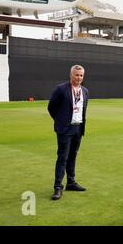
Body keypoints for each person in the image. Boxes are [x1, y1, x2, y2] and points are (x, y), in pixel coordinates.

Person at [48, 64, 89, 200]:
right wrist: (60, 121)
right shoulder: (61, 89)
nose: (79, 77)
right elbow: (51, 107)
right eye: (77, 75)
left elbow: (83, 110)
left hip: (78, 128)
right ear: (71, 75)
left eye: (81, 75)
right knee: (62, 157)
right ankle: (57, 187)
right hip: (65, 129)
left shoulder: (85, 91)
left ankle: (71, 182)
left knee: (73, 156)